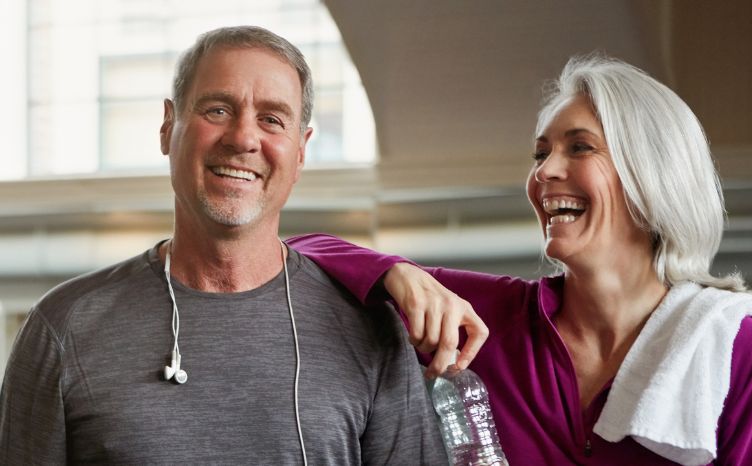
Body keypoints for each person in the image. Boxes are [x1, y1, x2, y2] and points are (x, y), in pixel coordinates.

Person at [288, 55, 752, 465]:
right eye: (540, 153)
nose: (546, 171)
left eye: (579, 148)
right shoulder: (483, 317)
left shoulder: (739, 352)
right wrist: (396, 273)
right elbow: (299, 254)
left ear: (651, 175)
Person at [0, 26, 447, 465]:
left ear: (301, 151)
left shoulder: (369, 327)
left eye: (272, 119)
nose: (243, 139)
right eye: (216, 110)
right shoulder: (64, 326)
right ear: (167, 126)